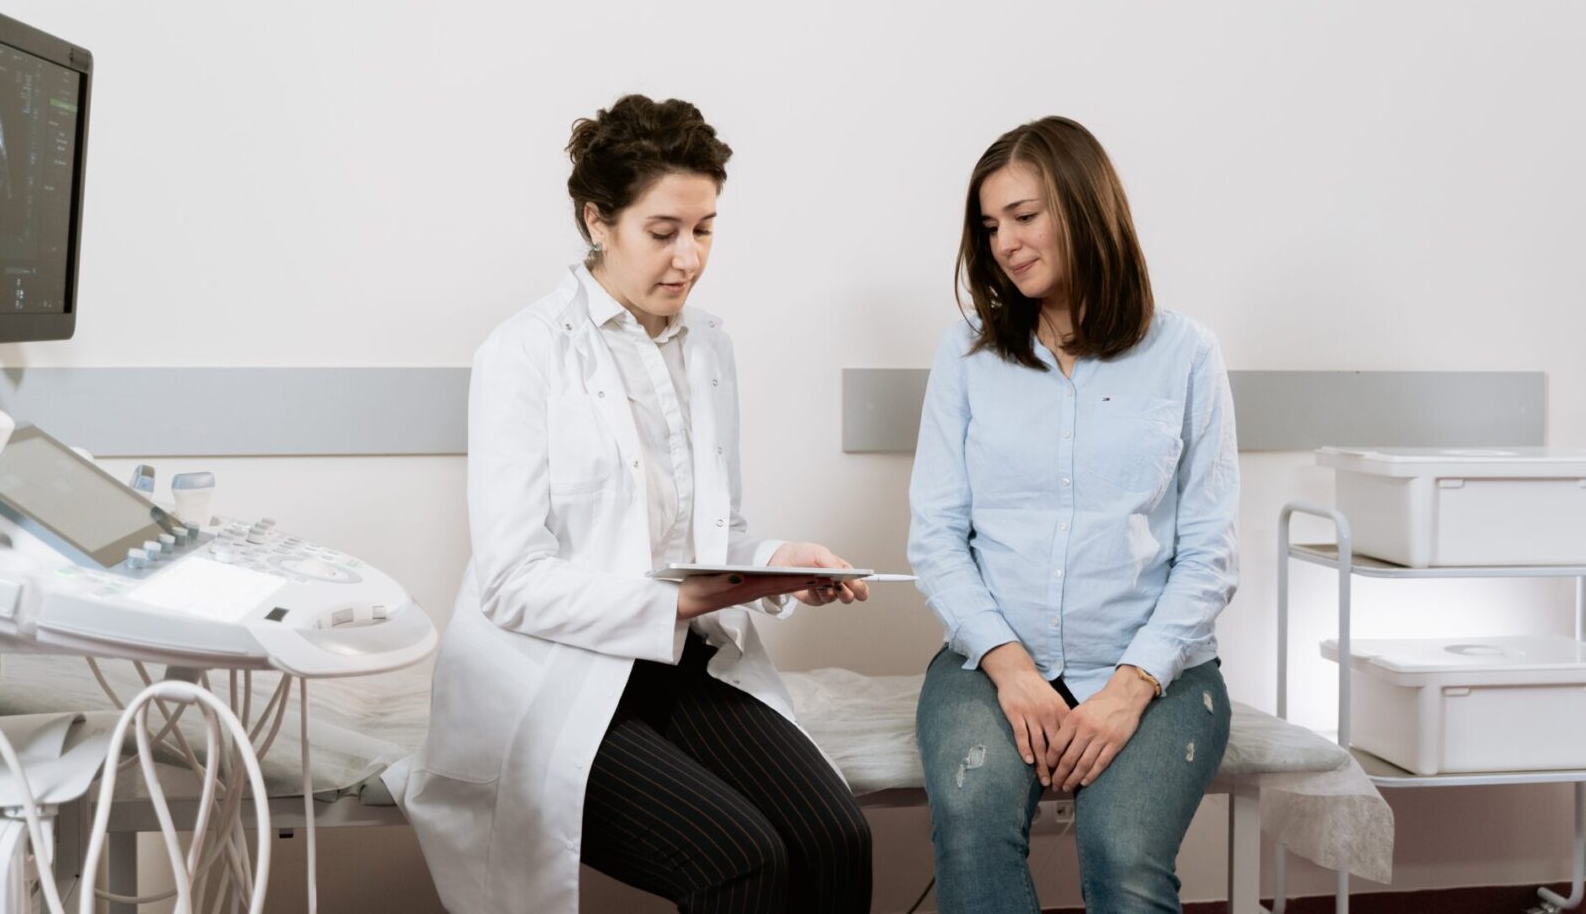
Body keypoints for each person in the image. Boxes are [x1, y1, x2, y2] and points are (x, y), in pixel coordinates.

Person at [391, 94, 873, 914]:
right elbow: (511, 581)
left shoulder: (709, 345)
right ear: (597, 222)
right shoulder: (523, 354)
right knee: (741, 859)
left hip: (680, 664)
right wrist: (675, 598)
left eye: (705, 228)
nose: (688, 257)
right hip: (555, 679)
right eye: (663, 232)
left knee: (838, 837)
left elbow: (716, 533)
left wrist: (774, 567)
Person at [908, 116, 1238, 913]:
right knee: (973, 819)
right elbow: (937, 539)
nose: (1006, 244)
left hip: (1154, 671)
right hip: (989, 666)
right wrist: (1013, 671)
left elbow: (1208, 554)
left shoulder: (1186, 354)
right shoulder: (966, 358)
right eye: (991, 227)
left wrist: (1129, 689)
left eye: (1025, 216)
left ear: (1087, 208)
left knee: (1123, 854)